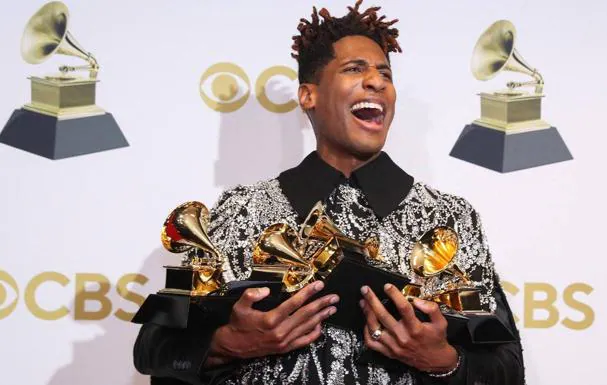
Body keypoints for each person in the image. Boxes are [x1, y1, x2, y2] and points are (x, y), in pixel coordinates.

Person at [133, 1, 525, 384]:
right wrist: (228, 344)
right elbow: (154, 349)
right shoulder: (241, 210)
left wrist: (442, 361)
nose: (376, 81)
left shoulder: (449, 218)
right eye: (355, 69)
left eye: (385, 74)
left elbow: (507, 366)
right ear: (309, 95)